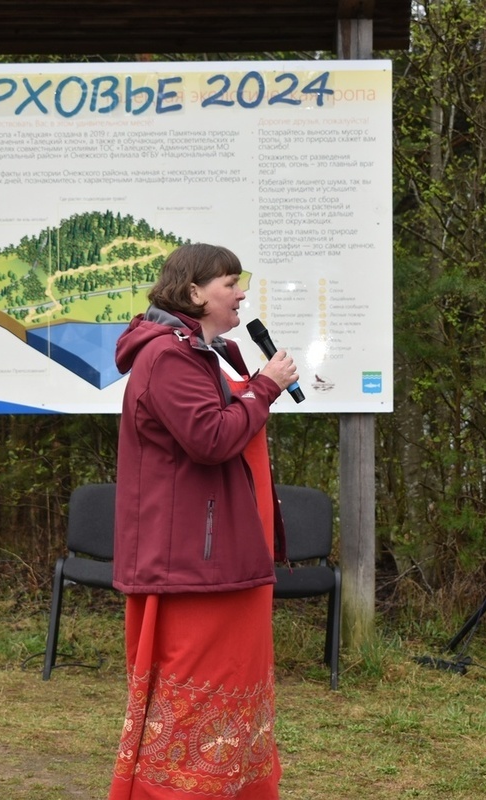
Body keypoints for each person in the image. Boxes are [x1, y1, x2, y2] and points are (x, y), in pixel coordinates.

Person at [109, 243, 299, 798]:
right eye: (230, 283)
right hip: (193, 562)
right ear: (194, 293)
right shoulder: (167, 357)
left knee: (232, 687)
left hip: (224, 557)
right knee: (196, 694)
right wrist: (265, 387)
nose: (241, 293)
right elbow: (211, 438)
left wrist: (253, 382)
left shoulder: (204, 353)